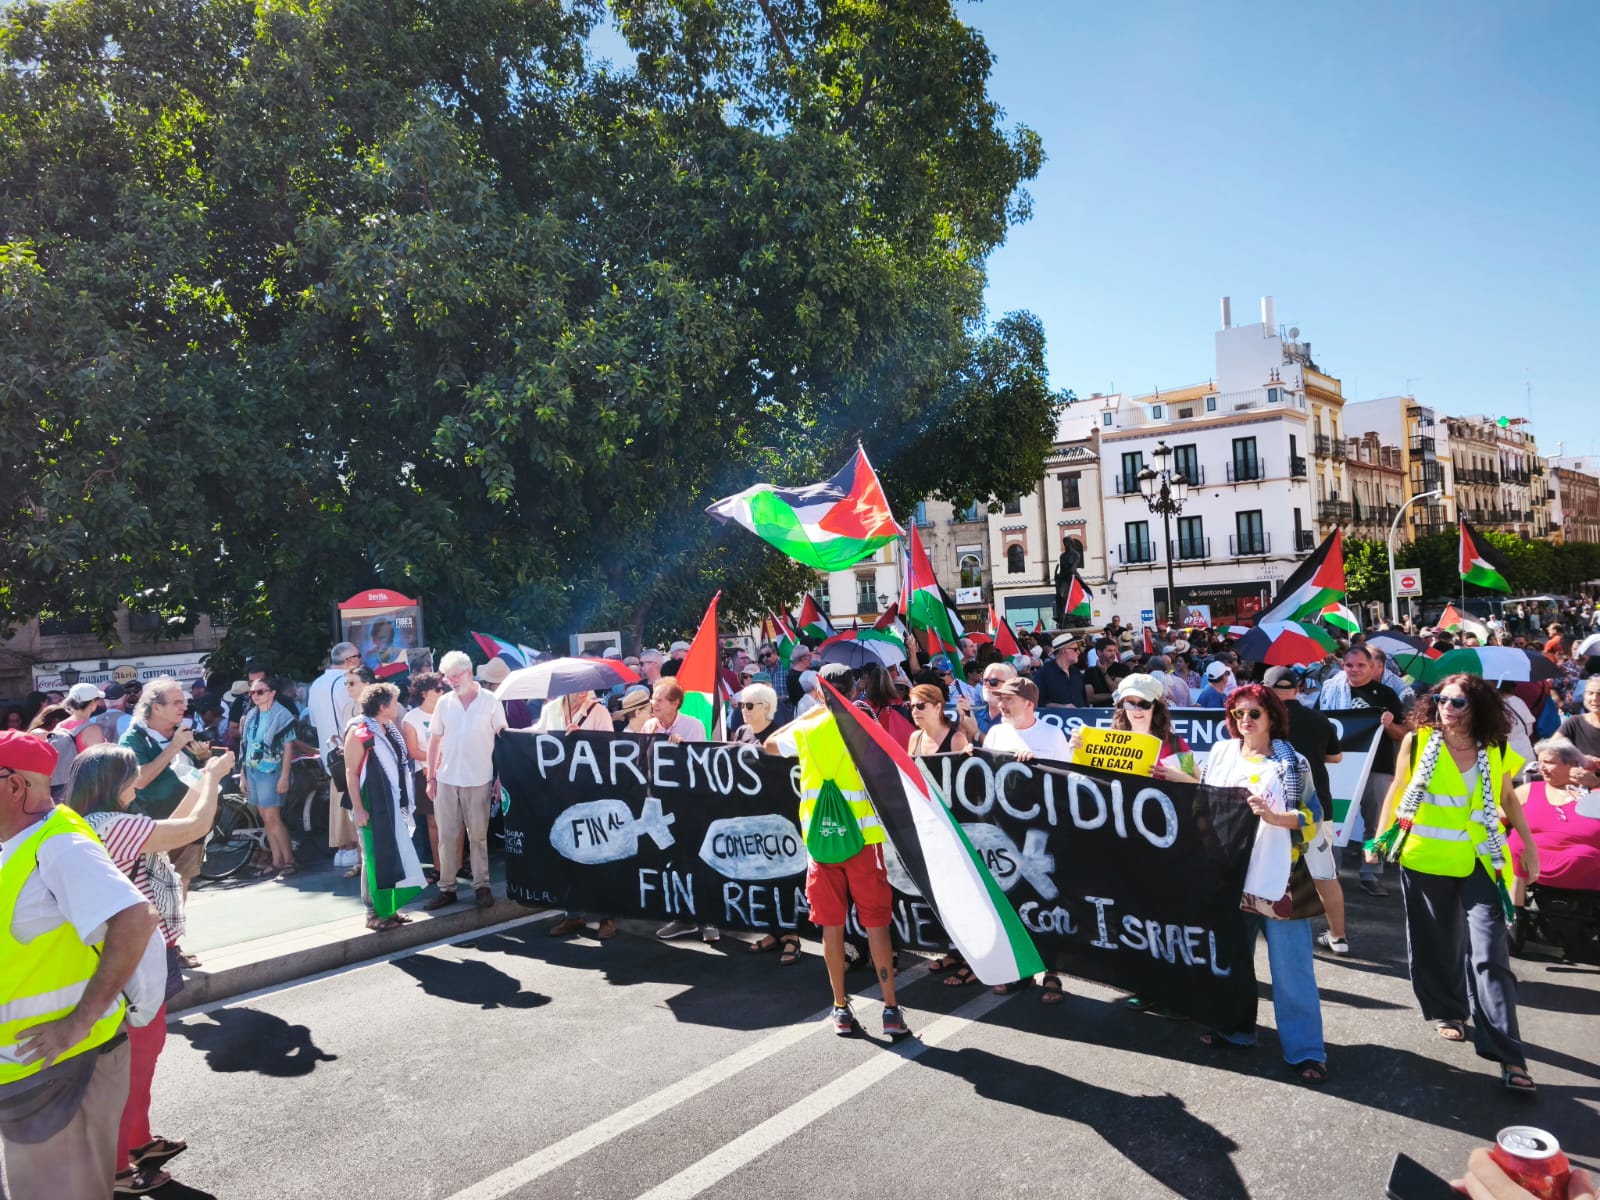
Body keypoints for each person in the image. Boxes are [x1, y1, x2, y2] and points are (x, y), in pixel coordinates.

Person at [0, 731, 164, 1199]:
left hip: (61, 1072)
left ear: (14, 787)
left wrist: (77, 1023)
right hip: (32, 1075)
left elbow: (135, 920)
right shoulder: (22, 839)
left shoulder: (59, 846)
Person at [68, 741, 233, 1193]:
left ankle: (138, 1141)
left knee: (138, 1056)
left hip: (127, 955)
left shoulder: (88, 822)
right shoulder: (114, 826)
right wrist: (215, 777)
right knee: (137, 1059)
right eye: (132, 773)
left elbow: (175, 822)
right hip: (136, 959)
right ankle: (121, 1168)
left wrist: (203, 778)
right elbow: (194, 826)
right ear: (113, 782)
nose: (138, 779)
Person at [1374, 673, 1539, 1094]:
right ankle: (1448, 1010)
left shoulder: (1496, 746)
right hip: (1426, 858)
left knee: (1490, 954)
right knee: (1436, 941)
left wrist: (1530, 848)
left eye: (1458, 702)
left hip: (1482, 860)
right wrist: (1379, 837)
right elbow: (1398, 789)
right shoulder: (1418, 742)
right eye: (1441, 699)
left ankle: (1509, 1055)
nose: (1447, 707)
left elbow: (1506, 797)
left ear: (1477, 707)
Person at [1198, 684, 1328, 1084]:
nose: (1245, 721)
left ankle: (1306, 1050)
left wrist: (1275, 818)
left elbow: (1314, 816)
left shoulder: (1292, 763)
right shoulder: (1220, 753)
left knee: (1292, 970)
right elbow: (1203, 800)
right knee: (1233, 961)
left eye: (1254, 713)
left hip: (1280, 877)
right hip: (1231, 875)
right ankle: (1235, 1030)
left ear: (1272, 716)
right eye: (1238, 714)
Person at [763, 707, 909, 1040]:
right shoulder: (865, 727)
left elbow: (770, 744)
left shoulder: (807, 729)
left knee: (832, 925)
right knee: (876, 923)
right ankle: (890, 1010)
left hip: (822, 844)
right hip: (863, 842)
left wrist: (807, 716)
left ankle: (840, 1008)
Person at [1262, 667, 1352, 955]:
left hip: (1271, 808)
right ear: (1297, 689)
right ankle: (1339, 937)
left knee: (1266, 873)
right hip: (1315, 808)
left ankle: (1272, 937)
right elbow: (1335, 757)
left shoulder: (1261, 720)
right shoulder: (1317, 718)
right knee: (1324, 875)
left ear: (1265, 690)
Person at [1319, 645, 1405, 897]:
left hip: (1377, 767)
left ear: (1372, 667)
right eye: (1349, 665)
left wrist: (1389, 725)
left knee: (1376, 823)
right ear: (1342, 666)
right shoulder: (1330, 691)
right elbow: (1318, 723)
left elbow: (1402, 734)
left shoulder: (1386, 694)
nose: (1354, 670)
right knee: (1332, 822)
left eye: (1360, 665)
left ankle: (1372, 874)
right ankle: (1330, 874)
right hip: (1338, 767)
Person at [425, 651, 507, 912]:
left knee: (478, 836)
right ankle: (447, 887)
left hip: (479, 777)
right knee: (446, 836)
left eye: (454, 676)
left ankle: (482, 885)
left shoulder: (491, 700)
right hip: (447, 778)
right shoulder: (444, 703)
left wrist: (500, 777)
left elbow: (503, 739)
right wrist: (431, 777)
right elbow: (434, 740)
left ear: (469, 672)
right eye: (447, 677)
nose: (450, 681)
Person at [119, 677, 210, 907]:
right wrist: (173, 747)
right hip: (154, 827)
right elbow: (139, 780)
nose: (184, 707)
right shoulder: (133, 738)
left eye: (184, 701)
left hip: (190, 823)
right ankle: (163, 941)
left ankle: (174, 937)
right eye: (176, 702)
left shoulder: (183, 732)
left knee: (182, 883)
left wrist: (203, 758)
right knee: (155, 892)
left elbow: (195, 771)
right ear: (156, 707)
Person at [344, 683, 426, 932]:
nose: (397, 706)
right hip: (371, 801)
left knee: (390, 853)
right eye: (393, 702)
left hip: (388, 800)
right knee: (374, 856)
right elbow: (350, 772)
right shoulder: (359, 731)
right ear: (382, 707)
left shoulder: (387, 728)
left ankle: (388, 910)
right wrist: (358, 808)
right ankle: (372, 913)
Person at [1507, 735, 1600, 945]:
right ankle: (1515, 917)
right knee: (1516, 844)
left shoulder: (1594, 792)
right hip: (1530, 860)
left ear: (1574, 765)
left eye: (1549, 762)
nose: (1542, 768)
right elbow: (1497, 816)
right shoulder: (1529, 790)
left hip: (1585, 864)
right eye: (1540, 762)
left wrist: (1596, 783)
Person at [308, 642, 364, 869]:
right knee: (351, 801)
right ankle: (350, 849)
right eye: (358, 657)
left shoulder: (316, 684)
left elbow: (312, 721)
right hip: (348, 750)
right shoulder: (345, 683)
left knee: (340, 799)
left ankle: (344, 850)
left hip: (328, 753)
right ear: (350, 660)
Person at [239, 674, 299, 879]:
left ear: (272, 693)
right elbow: (244, 747)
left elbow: (288, 747)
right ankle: (277, 861)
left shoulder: (281, 715)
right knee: (266, 819)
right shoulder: (251, 716)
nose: (255, 695)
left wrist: (284, 776)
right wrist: (243, 775)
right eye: (252, 692)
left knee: (273, 818)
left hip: (271, 771)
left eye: (260, 691)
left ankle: (289, 860)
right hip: (253, 770)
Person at [401, 672, 448, 884]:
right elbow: (412, 751)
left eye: (443, 688)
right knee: (434, 822)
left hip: (453, 770)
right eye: (438, 689)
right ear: (424, 693)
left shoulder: (449, 710)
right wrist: (436, 760)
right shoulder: (412, 718)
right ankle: (439, 868)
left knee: (458, 822)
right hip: (426, 773)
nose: (442, 692)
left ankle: (456, 865)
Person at [640, 680, 707, 742]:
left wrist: (681, 746)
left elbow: (699, 753)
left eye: (659, 700)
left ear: (675, 704)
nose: (654, 704)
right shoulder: (648, 726)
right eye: (653, 699)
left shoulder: (694, 727)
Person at [1557, 674, 1600, 767]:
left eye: (1599, 694)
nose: (1594, 698)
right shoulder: (1574, 722)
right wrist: (1579, 758)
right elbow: (1550, 749)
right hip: (1581, 779)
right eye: (1590, 693)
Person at [1034, 634, 1086, 708]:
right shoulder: (1043, 674)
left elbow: (1083, 699)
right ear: (1064, 650)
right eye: (1075, 649)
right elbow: (1039, 702)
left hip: (1080, 718)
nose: (1078, 652)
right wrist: (1062, 707)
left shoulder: (1076, 673)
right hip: (1054, 718)